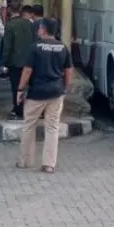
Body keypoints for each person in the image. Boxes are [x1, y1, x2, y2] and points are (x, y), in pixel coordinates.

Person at [16, 18, 72, 174]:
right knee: (52, 128)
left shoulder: (35, 48)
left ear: (44, 29)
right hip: (56, 92)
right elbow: (68, 71)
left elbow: (27, 70)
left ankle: (25, 161)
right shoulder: (63, 48)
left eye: (40, 27)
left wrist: (20, 89)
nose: (38, 30)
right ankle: (49, 164)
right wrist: (64, 89)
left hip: (37, 93)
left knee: (29, 126)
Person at [0, 0, 36, 118]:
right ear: (20, 11)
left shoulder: (10, 25)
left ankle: (18, 109)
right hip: (30, 61)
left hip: (15, 62)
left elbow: (7, 46)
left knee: (16, 86)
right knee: (31, 85)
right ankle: (32, 109)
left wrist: (3, 62)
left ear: (10, 10)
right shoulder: (30, 24)